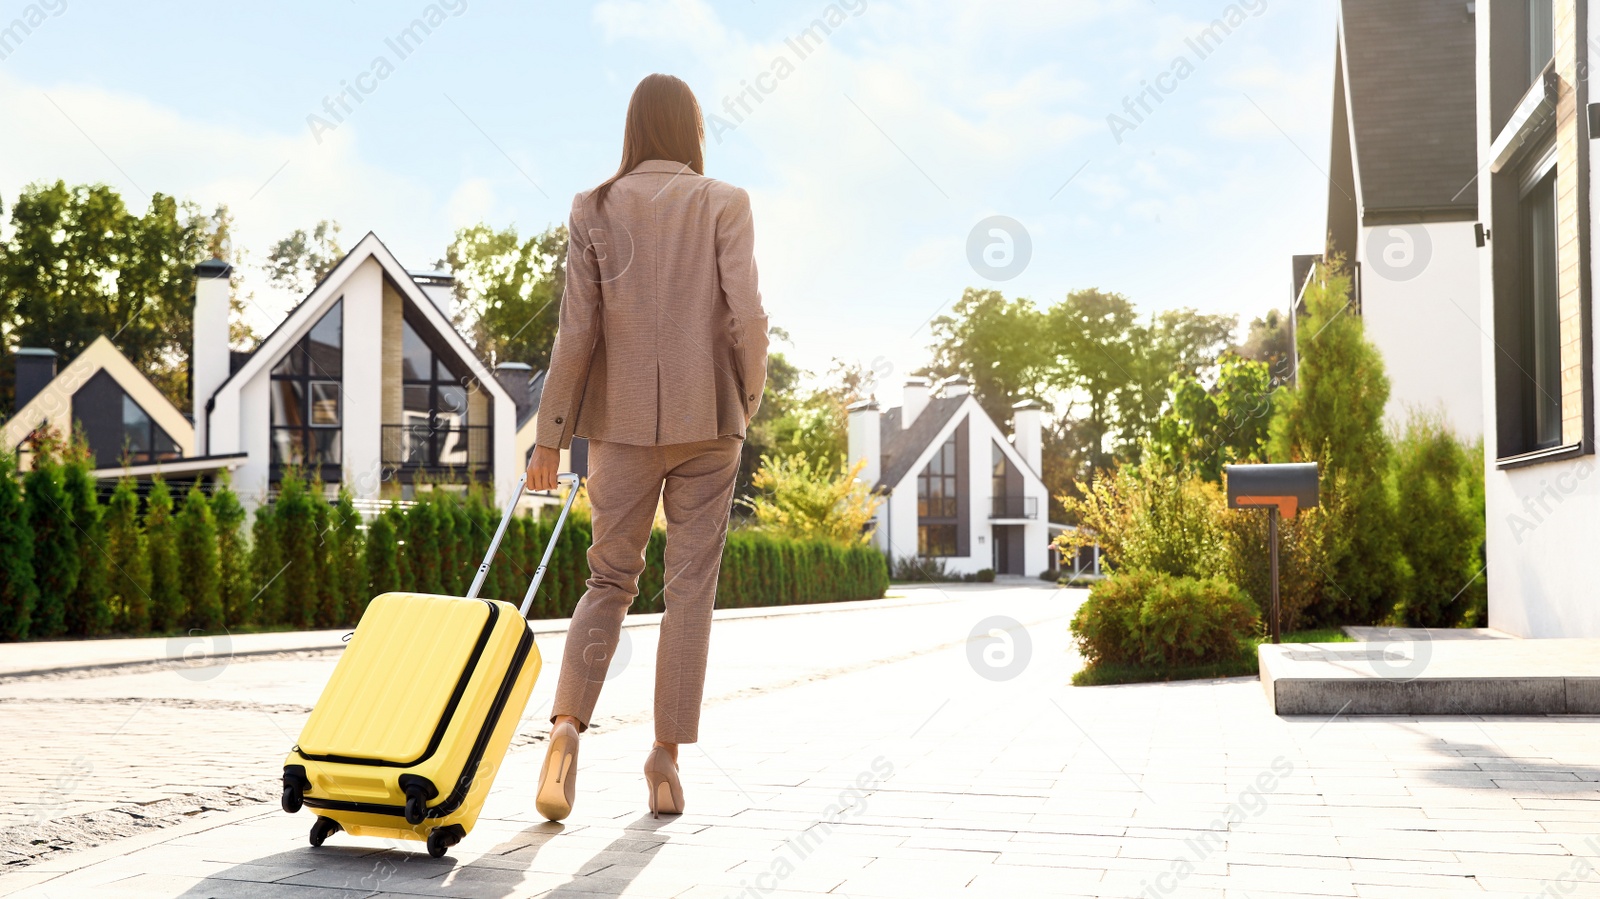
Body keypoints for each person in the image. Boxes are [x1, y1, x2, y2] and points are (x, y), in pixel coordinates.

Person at [525, 72, 768, 821]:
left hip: (619, 427)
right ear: (692, 128)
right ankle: (664, 754)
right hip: (710, 422)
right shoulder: (726, 201)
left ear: (632, 128)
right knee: (690, 588)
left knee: (609, 581)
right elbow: (747, 317)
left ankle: (566, 730)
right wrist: (744, 399)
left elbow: (577, 333)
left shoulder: (592, 206)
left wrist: (549, 438)